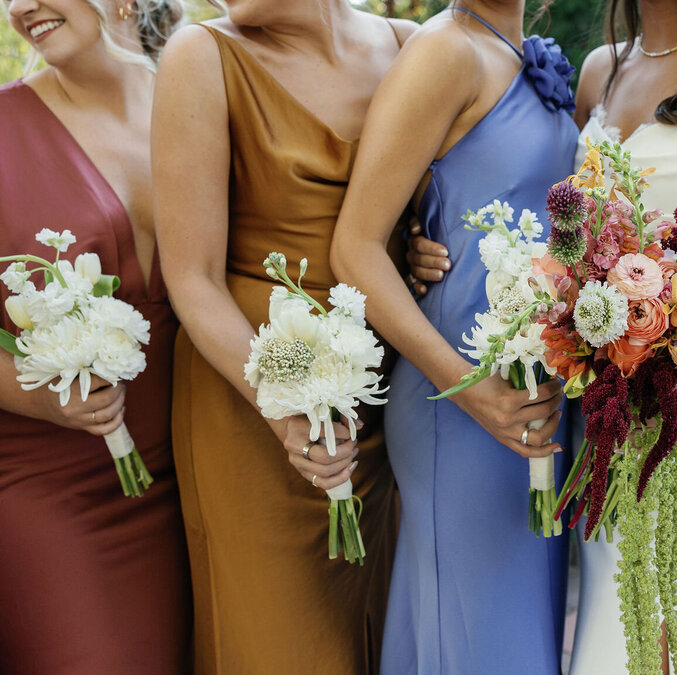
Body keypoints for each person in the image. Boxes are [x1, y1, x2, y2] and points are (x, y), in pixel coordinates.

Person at [407, 1, 677, 671]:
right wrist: (419, 237)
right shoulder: (601, 71)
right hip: (613, 407)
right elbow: (562, 231)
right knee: (612, 622)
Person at [151, 1, 415, 671]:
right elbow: (194, 279)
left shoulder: (410, 47)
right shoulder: (200, 56)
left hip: (387, 403)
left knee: (389, 633)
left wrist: (428, 250)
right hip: (252, 400)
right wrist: (286, 406)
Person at [328, 1, 576, 672]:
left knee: (516, 627)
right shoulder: (445, 49)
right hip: (461, 400)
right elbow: (353, 248)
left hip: (536, 392)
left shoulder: (519, 53)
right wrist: (474, 393)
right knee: (478, 638)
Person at [0, 0, 190, 672]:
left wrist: (421, 245)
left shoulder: (198, 103)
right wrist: (45, 400)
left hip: (197, 477)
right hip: (55, 489)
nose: (23, 8)